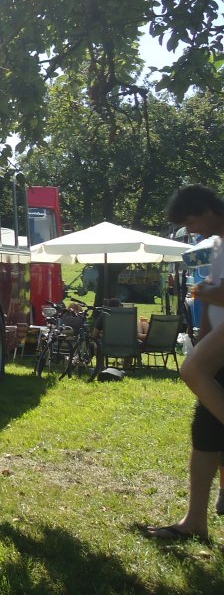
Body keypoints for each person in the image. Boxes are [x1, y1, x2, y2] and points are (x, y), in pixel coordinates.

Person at [146, 185, 224, 541]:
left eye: (190, 220)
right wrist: (202, 336)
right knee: (205, 434)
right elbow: (211, 301)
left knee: (192, 374)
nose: (189, 229)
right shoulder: (217, 246)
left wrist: (204, 292)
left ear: (207, 209)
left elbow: (214, 292)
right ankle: (195, 522)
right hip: (217, 352)